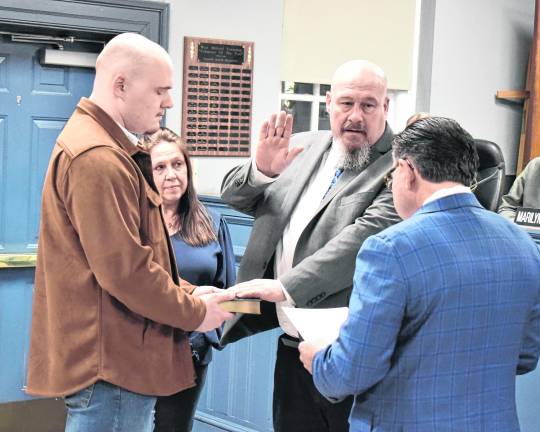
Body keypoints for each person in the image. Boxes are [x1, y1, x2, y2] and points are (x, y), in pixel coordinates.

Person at [26, 33, 234, 432]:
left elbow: (133, 255)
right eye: (160, 90)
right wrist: (194, 312)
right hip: (114, 368)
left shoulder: (107, 149)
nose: (168, 102)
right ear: (121, 85)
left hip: (116, 363)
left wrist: (188, 292)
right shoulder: (99, 158)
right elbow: (126, 273)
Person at [299, 117, 540, 431]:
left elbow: (352, 373)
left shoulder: (390, 249)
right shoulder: (523, 244)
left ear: (407, 170)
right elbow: (525, 355)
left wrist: (320, 359)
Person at [220, 59, 401, 432]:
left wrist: (285, 287)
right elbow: (234, 197)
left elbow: (361, 241)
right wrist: (262, 171)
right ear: (329, 104)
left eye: (368, 105)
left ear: (386, 107)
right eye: (346, 103)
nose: (356, 115)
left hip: (351, 349)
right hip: (292, 343)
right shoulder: (301, 145)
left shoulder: (401, 165)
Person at [146, 128, 236, 432]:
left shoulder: (211, 223)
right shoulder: (134, 223)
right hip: (139, 350)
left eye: (177, 164)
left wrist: (205, 336)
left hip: (190, 352)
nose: (171, 174)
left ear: (188, 169)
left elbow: (227, 293)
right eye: (160, 167)